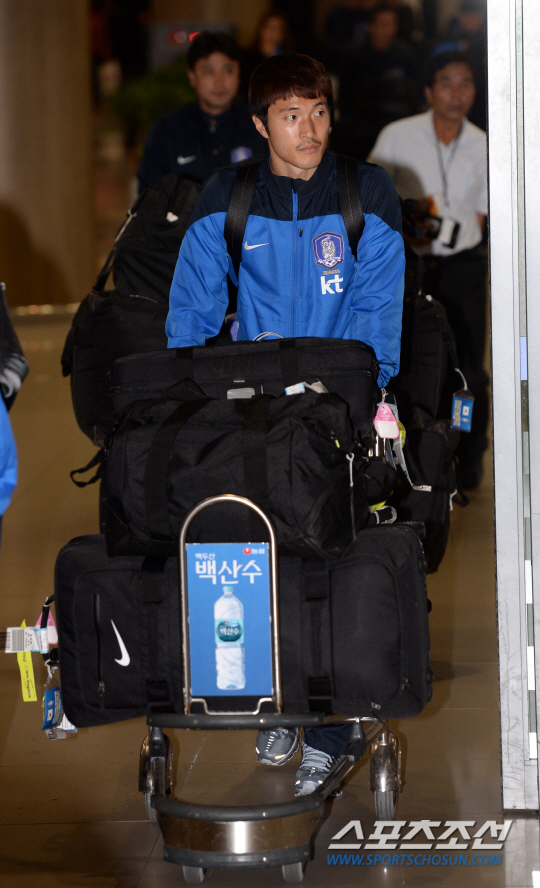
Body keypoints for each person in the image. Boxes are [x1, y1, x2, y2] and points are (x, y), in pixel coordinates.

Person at [167, 53, 405, 794]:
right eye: (292, 115)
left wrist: (358, 400)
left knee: (331, 561)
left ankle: (332, 730)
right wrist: (190, 404)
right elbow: (192, 315)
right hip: (254, 413)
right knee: (257, 560)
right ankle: (279, 704)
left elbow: (377, 311)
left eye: (319, 112)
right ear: (261, 123)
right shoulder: (228, 197)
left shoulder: (365, 192)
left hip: (337, 411)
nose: (310, 129)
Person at [368, 50, 488, 488]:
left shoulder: (485, 144)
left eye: (465, 83)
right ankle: (417, 452)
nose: (456, 93)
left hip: (463, 268)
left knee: (468, 367)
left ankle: (469, 454)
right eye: (446, 83)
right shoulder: (397, 136)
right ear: (429, 91)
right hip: (409, 264)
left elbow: (485, 215)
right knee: (413, 358)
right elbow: (374, 195)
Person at [137, 31, 266, 193]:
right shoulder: (167, 130)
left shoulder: (259, 125)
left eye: (228, 71)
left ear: (239, 74)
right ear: (192, 77)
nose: (219, 82)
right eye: (209, 72)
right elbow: (149, 196)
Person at [336, 5, 423, 159]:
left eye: (392, 23)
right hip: (361, 129)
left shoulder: (406, 55)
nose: (387, 29)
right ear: (370, 26)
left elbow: (416, 93)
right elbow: (345, 97)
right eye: (383, 24)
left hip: (397, 125)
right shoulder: (354, 55)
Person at [240, 11, 295, 100]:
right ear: (262, 29)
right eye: (271, 27)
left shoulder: (289, 59)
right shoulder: (247, 56)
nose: (274, 32)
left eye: (279, 29)